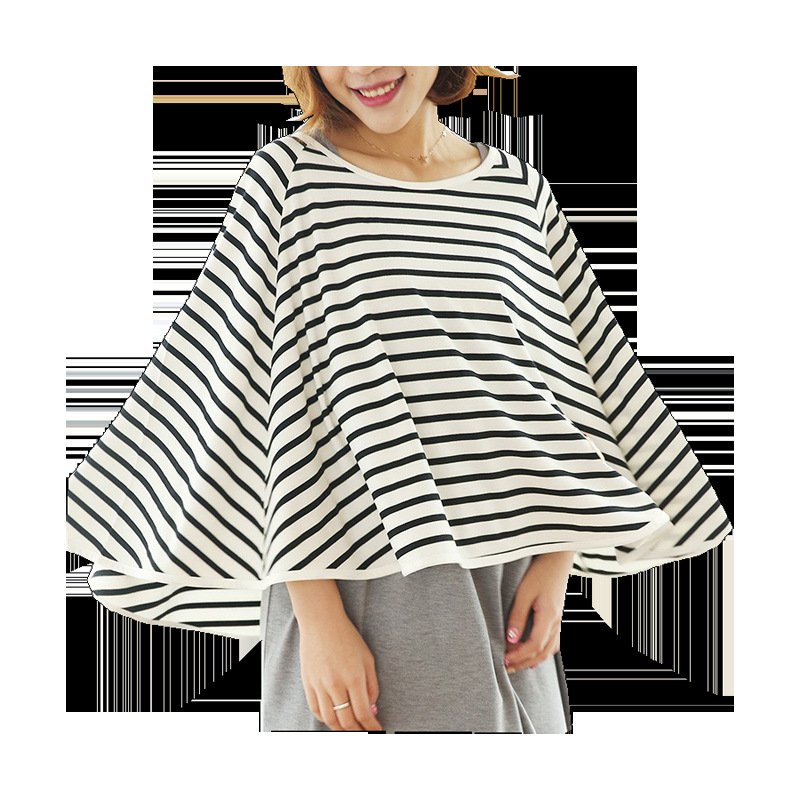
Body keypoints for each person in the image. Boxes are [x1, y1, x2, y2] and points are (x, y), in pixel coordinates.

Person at [66, 66, 732, 733]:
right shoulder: (290, 182)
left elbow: (570, 384)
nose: (365, 66)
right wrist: (318, 618)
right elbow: (268, 405)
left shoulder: (517, 190)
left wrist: (557, 563)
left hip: (511, 583)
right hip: (352, 581)